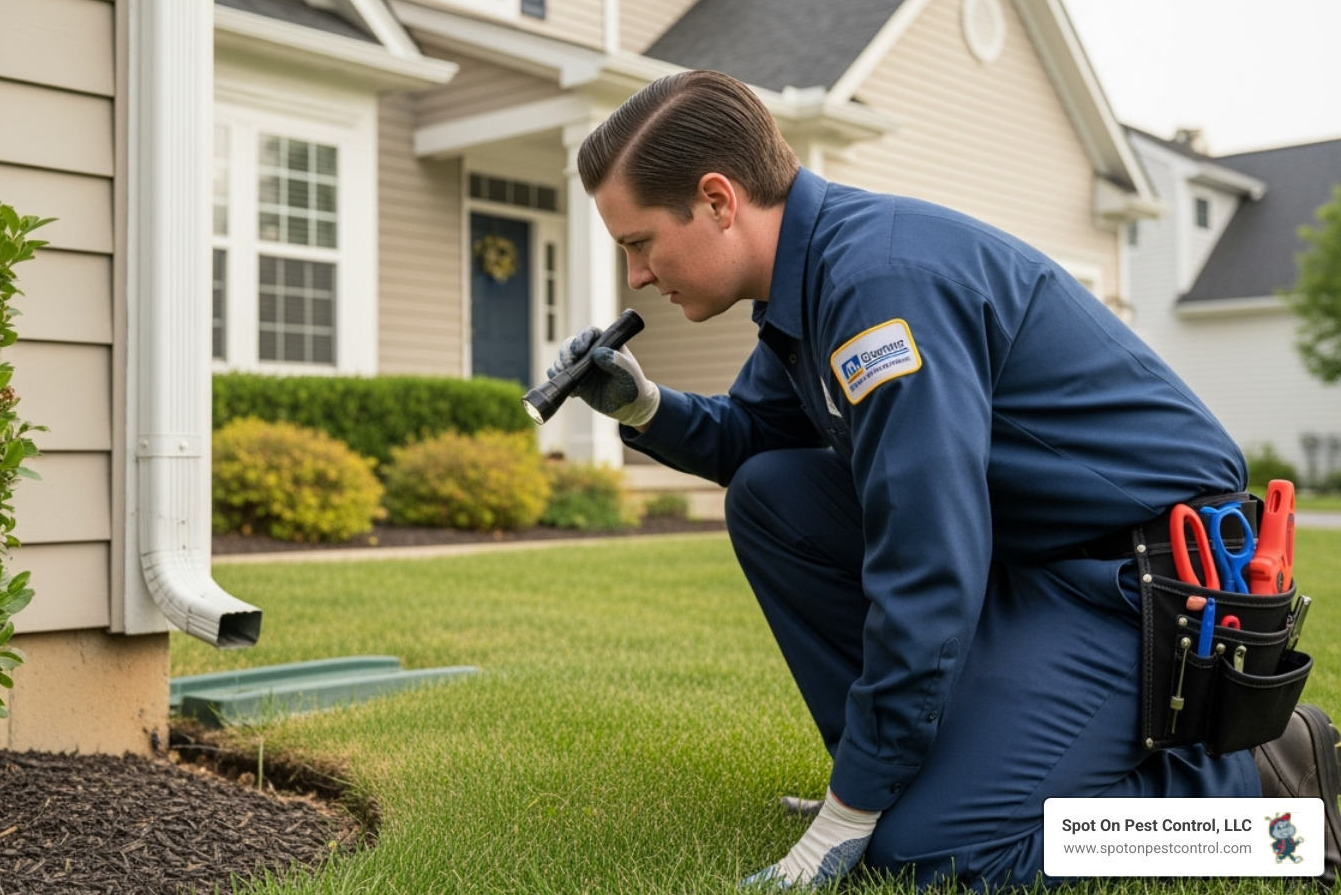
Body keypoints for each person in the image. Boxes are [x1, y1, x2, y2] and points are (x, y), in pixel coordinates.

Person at [550, 69, 1341, 889]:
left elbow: (928, 558)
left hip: (1145, 587)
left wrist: (850, 812)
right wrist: (644, 406)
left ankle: (1258, 795)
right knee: (771, 495)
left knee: (942, 853)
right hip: (1043, 564)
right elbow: (753, 438)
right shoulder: (813, 283)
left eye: (639, 243)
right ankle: (895, 785)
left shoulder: (877, 287)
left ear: (718, 201)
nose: (636, 276)